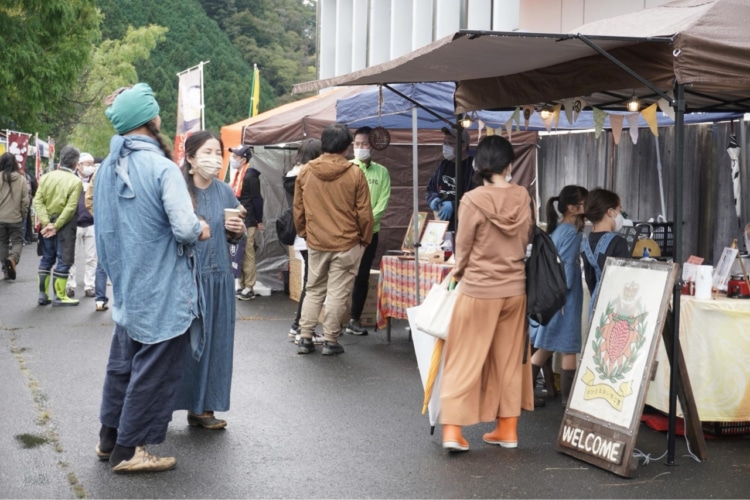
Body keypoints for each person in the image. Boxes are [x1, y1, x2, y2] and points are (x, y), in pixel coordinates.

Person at [94, 83, 210, 473]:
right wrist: (203, 228)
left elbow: (105, 230)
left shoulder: (105, 169)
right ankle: (130, 450)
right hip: (162, 286)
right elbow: (184, 229)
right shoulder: (161, 167)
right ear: (152, 119)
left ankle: (109, 438)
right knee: (154, 369)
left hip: (127, 284)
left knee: (123, 364)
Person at [439, 135, 534, 453]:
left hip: (479, 290)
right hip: (515, 290)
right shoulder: (523, 196)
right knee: (508, 363)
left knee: (463, 359)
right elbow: (524, 240)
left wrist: (456, 272)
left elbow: (462, 250)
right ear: (510, 165)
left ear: (479, 165)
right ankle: (507, 430)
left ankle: (453, 430)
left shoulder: (472, 199)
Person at [174, 131, 246, 430]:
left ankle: (203, 408)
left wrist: (236, 229)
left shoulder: (226, 191)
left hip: (220, 280)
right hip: (187, 280)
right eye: (207, 152)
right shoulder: (177, 189)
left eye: (219, 153)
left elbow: (233, 235)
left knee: (216, 343)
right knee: (180, 347)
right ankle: (159, 408)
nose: (215, 159)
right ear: (190, 157)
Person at [293, 123, 374, 356]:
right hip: (347, 243)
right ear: (347, 147)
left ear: (324, 143)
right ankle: (330, 340)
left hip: (317, 241)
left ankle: (305, 337)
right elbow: (364, 213)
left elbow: (298, 210)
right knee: (338, 292)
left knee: (314, 289)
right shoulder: (355, 173)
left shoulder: (306, 171)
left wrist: (304, 234)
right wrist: (364, 240)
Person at [530, 185, 588, 407]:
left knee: (546, 345)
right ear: (573, 208)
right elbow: (566, 269)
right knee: (569, 345)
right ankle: (568, 399)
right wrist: (567, 290)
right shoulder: (572, 233)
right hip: (566, 298)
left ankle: (525, 393)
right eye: (584, 203)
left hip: (553, 296)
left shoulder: (557, 230)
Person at [345, 126, 391, 336]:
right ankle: (337, 319)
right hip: (347, 232)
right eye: (357, 144)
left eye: (364, 144)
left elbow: (383, 203)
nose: (361, 148)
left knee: (362, 275)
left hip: (370, 233)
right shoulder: (346, 169)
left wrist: (367, 224)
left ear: (372, 145)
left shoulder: (382, 172)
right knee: (342, 274)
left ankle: (354, 318)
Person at [284, 138, 323, 344]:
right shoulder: (307, 177)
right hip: (310, 235)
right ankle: (300, 328)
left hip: (301, 236)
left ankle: (297, 327)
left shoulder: (292, 174)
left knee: (309, 284)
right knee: (312, 286)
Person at [33, 145, 82, 306]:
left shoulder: (46, 177)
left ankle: (42, 295)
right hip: (65, 226)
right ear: (75, 163)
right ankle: (60, 297)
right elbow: (70, 207)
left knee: (47, 258)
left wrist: (47, 223)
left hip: (47, 225)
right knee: (64, 259)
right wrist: (56, 225)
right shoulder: (76, 181)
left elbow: (37, 200)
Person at [580, 188, 631, 318]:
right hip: (615, 309)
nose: (621, 215)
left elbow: (589, 279)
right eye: (620, 210)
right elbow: (625, 281)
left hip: (595, 306)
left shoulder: (585, 243)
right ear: (610, 212)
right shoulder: (618, 242)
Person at [230, 144, 263, 301]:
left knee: (248, 251)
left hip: (249, 219)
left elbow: (257, 200)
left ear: (243, 160)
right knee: (240, 251)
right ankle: (242, 284)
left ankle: (249, 286)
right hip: (239, 218)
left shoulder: (250, 176)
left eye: (235, 157)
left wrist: (259, 220)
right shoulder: (238, 175)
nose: (232, 159)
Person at [425, 126, 475, 231]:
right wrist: (433, 199)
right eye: (444, 142)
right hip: (442, 225)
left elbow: (476, 197)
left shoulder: (473, 167)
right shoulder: (444, 164)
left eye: (450, 143)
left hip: (465, 226)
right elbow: (431, 188)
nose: (445, 146)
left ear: (463, 146)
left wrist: (454, 205)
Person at [66, 152, 98, 298]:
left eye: (92, 164)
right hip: (74, 224)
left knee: (91, 258)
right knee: (71, 256)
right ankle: (70, 285)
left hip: (92, 223)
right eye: (87, 164)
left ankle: (89, 285)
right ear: (78, 165)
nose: (90, 167)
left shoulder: (96, 179)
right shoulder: (70, 179)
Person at [83, 160, 111, 312]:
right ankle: (124, 302)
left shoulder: (99, 174)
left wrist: (98, 216)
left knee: (102, 263)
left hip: (104, 224)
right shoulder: (130, 171)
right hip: (125, 225)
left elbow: (88, 199)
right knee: (127, 263)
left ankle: (100, 300)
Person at [0, 152, 30, 281]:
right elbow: (25, 200)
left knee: (2, 243)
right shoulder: (21, 179)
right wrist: (23, 214)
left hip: (0, 218)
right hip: (16, 218)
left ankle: (6, 271)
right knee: (18, 242)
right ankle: (13, 258)